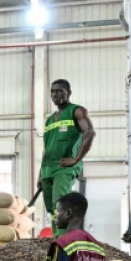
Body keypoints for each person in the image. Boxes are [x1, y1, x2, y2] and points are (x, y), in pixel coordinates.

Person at [38, 79, 95, 237]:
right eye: (53, 91)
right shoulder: (50, 120)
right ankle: (58, 239)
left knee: (61, 205)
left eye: (59, 91)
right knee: (52, 209)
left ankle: (64, 243)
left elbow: (89, 132)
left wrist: (76, 159)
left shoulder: (76, 111)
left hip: (64, 167)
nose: (55, 94)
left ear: (68, 93)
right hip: (47, 169)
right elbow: (47, 148)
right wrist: (40, 174)